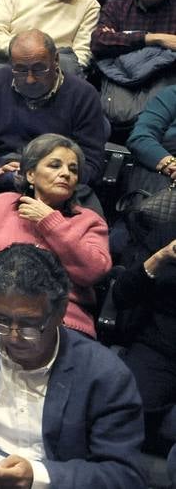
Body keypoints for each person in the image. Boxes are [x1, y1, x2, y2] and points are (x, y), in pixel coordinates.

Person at [0, 244, 144, 489]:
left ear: (61, 311)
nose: (12, 337)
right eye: (1, 320)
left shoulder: (106, 375)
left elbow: (123, 475)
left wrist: (36, 477)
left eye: (29, 325)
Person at [0, 134, 111, 337]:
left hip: (62, 321)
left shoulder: (88, 220)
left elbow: (94, 271)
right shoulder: (2, 205)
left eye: (73, 169)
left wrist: (51, 222)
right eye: (55, 165)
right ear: (31, 174)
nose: (65, 173)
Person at [0, 30, 109, 208]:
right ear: (11, 64)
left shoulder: (83, 95)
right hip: (4, 175)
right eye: (21, 70)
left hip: (60, 183)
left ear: (55, 60)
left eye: (39, 69)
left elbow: (93, 163)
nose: (30, 79)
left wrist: (46, 177)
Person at [110, 190, 176, 448]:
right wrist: (161, 258)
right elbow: (121, 295)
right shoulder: (166, 234)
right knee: (126, 407)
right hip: (159, 346)